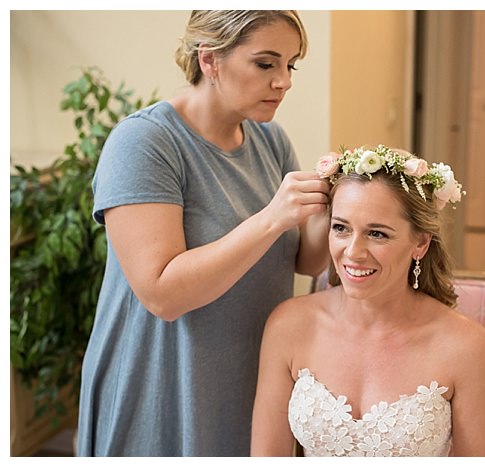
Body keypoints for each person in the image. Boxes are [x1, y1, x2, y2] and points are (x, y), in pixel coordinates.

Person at [77, 10, 330, 456]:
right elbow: (162, 295)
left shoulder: (270, 140)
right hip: (164, 384)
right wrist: (273, 216)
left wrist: (331, 202)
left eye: (290, 65)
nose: (284, 82)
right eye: (265, 63)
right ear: (210, 60)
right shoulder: (145, 143)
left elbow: (305, 262)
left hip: (245, 379)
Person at [251, 145, 485, 457]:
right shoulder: (288, 325)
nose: (353, 253)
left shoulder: (465, 346)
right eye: (341, 228)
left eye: (377, 234)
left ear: (420, 243)